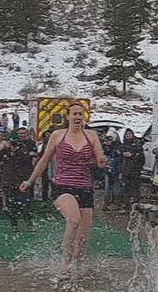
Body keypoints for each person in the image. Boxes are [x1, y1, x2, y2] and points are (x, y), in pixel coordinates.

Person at [20, 102, 108, 275]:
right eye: (74, 114)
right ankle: (65, 264)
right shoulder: (58, 135)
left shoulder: (92, 136)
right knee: (73, 220)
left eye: (80, 114)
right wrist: (30, 181)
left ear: (84, 117)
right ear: (67, 117)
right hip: (63, 186)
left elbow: (100, 159)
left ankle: (77, 264)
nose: (77, 117)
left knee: (83, 237)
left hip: (85, 188)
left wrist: (103, 162)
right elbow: (44, 160)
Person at [0, 127, 36, 231]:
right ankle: (14, 225)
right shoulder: (5, 151)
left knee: (25, 204)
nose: (14, 145)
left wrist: (19, 150)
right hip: (9, 181)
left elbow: (28, 162)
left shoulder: (23, 150)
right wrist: (6, 148)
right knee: (11, 205)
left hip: (21, 181)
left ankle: (29, 223)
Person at [118, 128, 145, 211]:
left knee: (135, 188)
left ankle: (135, 207)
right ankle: (126, 206)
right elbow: (120, 159)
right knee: (125, 189)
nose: (128, 136)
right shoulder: (123, 146)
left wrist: (132, 155)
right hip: (125, 170)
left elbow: (141, 158)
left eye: (130, 134)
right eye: (127, 135)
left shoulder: (137, 145)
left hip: (134, 171)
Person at [102, 131, 123, 211]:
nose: (108, 141)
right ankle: (107, 202)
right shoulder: (106, 147)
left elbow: (120, 159)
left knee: (116, 188)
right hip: (108, 170)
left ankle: (116, 203)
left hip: (116, 170)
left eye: (110, 139)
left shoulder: (118, 148)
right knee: (107, 188)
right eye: (108, 139)